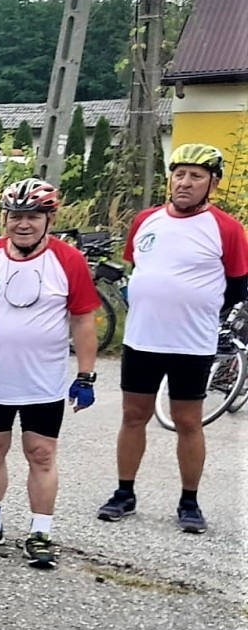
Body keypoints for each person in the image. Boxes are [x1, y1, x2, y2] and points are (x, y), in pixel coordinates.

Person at [0, 179, 100, 570]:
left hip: (43, 382)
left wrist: (86, 375)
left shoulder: (68, 260)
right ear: (5, 219)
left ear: (49, 219)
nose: (22, 224)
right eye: (15, 216)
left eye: (32, 217)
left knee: (41, 454)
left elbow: (83, 321)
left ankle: (41, 531)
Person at [95, 144, 248, 533]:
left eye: (196, 176)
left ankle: (189, 501)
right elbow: (139, 267)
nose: (185, 182)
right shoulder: (146, 220)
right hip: (143, 338)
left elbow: (236, 286)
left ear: (212, 183)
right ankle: (124, 493)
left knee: (188, 422)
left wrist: (202, 309)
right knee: (133, 416)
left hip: (191, 343)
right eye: (179, 174)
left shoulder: (227, 229)